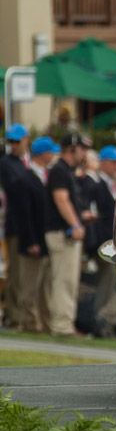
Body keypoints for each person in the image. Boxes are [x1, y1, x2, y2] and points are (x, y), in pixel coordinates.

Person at [7, 137, 61, 333]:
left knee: (43, 285)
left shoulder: (44, 177)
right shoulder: (26, 179)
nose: (53, 156)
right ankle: (29, 322)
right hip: (33, 239)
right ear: (44, 154)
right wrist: (30, 241)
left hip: (43, 238)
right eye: (51, 152)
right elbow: (24, 214)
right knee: (29, 284)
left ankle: (44, 322)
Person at [43, 132, 95, 337]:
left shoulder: (65, 171)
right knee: (64, 280)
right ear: (71, 148)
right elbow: (61, 199)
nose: (84, 154)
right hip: (62, 233)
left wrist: (80, 216)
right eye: (82, 149)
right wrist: (75, 225)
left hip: (64, 232)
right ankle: (62, 326)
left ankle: (63, 323)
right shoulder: (60, 171)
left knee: (66, 280)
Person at [90, 145, 116, 338]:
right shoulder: (97, 185)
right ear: (103, 163)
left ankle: (100, 321)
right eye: (113, 162)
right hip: (104, 240)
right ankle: (102, 319)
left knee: (110, 283)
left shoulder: (111, 185)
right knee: (109, 283)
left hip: (111, 240)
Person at [0, 123, 30, 328]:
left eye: (17, 141)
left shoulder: (24, 162)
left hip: (26, 224)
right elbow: (16, 187)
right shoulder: (7, 163)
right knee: (15, 274)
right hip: (14, 224)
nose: (13, 145)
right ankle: (13, 316)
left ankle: (20, 315)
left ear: (25, 140)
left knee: (24, 274)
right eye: (10, 142)